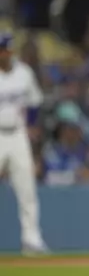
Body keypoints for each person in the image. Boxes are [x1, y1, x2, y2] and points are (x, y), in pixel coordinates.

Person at [0, 33, 49, 256]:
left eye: (7, 49)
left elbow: (35, 102)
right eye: (2, 49)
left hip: (18, 134)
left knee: (26, 189)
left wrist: (31, 128)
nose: (4, 53)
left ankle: (31, 239)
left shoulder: (23, 73)